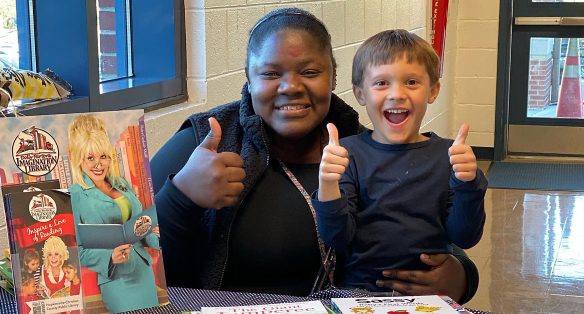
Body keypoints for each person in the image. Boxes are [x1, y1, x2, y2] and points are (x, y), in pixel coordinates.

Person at [151, 7, 479, 303]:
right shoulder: (207, 142)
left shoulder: (362, 147)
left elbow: (423, 230)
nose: (291, 86)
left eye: (309, 72)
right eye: (270, 74)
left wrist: (461, 276)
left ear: (334, 79)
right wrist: (181, 195)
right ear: (249, 80)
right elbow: (123, 258)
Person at [313, 29, 487, 293]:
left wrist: (468, 182)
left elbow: (465, 236)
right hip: (357, 296)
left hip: (430, 300)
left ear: (433, 90)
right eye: (382, 83)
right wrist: (327, 184)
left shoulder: (449, 156)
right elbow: (337, 238)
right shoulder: (348, 154)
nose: (397, 94)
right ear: (360, 94)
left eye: (412, 82)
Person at [68, 114, 160, 313]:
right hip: (116, 278)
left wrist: (157, 235)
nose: (98, 164)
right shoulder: (74, 196)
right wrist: (110, 257)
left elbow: (139, 228)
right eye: (90, 158)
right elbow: (78, 251)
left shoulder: (122, 184)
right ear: (79, 160)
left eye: (103, 156)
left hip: (143, 270)